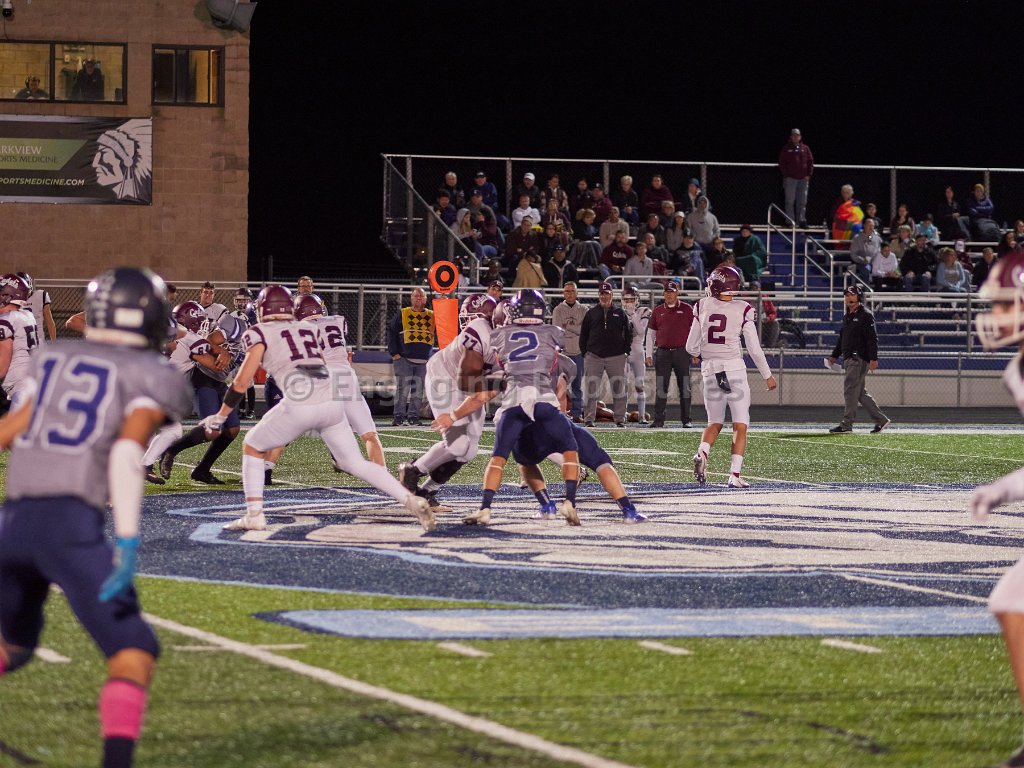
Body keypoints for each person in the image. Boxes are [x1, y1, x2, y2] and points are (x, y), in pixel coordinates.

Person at [0, 267, 191, 768]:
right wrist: (126, 540)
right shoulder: (154, 374)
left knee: (13, 645)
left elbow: (10, 430)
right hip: (68, 528)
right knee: (134, 651)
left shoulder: (53, 358)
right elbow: (128, 453)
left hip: (11, 523)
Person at [199, 285, 433, 533]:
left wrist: (221, 415)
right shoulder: (308, 329)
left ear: (264, 308)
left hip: (300, 401)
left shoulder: (259, 332)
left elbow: (241, 382)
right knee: (355, 463)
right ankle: (410, 500)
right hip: (331, 401)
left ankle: (254, 515)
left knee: (252, 444)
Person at [967, 252, 1024, 768]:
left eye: (1006, 304)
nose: (996, 315)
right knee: (1011, 599)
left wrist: (1003, 489)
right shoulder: (1018, 369)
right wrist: (1002, 489)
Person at [399, 294, 498, 512]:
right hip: (444, 379)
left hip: (471, 387)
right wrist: (453, 416)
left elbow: (481, 390)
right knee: (457, 445)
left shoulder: (504, 339)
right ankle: (411, 470)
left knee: (469, 451)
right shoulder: (479, 330)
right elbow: (472, 385)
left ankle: (428, 491)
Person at [688, 266, 777, 487]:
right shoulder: (743, 308)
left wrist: (702, 353)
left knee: (714, 423)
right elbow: (754, 349)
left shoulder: (701, 305)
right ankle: (734, 475)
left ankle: (702, 453)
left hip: (710, 370)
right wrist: (767, 375)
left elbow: (690, 346)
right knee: (740, 424)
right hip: (734, 370)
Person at [156, 301, 237, 484]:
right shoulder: (188, 339)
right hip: (190, 384)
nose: (203, 325)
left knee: (232, 429)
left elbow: (208, 347)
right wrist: (230, 354)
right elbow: (218, 366)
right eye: (200, 321)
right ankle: (169, 451)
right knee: (211, 430)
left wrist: (223, 351)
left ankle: (202, 470)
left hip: (183, 383)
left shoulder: (180, 335)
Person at [827, 285, 890, 434]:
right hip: (850, 357)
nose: (848, 297)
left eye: (852, 294)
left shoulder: (866, 315)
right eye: (846, 295)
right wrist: (834, 355)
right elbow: (842, 338)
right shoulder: (847, 316)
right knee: (860, 392)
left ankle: (846, 424)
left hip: (858, 358)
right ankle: (881, 420)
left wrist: (873, 358)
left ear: (859, 296)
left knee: (850, 390)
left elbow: (872, 338)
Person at [579, 282, 630, 427]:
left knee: (619, 388)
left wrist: (626, 351)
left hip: (616, 356)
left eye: (607, 294)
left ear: (611, 295)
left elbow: (628, 333)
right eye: (602, 293)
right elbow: (583, 334)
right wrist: (585, 352)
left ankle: (620, 419)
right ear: (599, 295)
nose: (604, 296)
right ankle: (589, 419)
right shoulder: (591, 313)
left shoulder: (620, 313)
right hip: (594, 356)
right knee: (591, 388)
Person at [645, 280, 694, 428]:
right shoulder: (658, 311)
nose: (669, 295)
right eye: (667, 292)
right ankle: (658, 420)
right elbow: (651, 334)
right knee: (661, 387)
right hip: (663, 353)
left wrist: (695, 351)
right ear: (663, 293)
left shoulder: (687, 309)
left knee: (684, 386)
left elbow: (695, 331)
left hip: (682, 352)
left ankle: (687, 420)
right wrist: (648, 354)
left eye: (672, 292)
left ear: (677, 293)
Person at [386, 287, 434, 426]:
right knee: (403, 389)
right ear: (411, 298)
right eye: (415, 296)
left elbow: (446, 324)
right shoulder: (403, 313)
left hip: (423, 359)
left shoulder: (432, 315)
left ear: (425, 299)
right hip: (404, 358)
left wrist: (444, 302)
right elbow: (392, 332)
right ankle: (399, 417)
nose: (418, 298)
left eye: (421, 296)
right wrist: (394, 352)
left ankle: (413, 416)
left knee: (418, 390)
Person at [0, 274, 39, 410]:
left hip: (21, 387)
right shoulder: (26, 314)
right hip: (31, 380)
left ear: (7, 297)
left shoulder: (7, 320)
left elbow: (2, 367)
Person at [551, 282, 587, 420]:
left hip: (578, 352)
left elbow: (584, 330)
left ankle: (577, 414)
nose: (570, 294)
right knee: (560, 384)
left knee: (578, 386)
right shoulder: (558, 310)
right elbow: (557, 330)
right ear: (563, 293)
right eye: (567, 291)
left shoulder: (583, 309)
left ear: (576, 293)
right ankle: (560, 413)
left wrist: (568, 327)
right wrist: (576, 328)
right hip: (563, 352)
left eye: (572, 291)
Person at [621, 286, 651, 424]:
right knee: (623, 385)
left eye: (632, 299)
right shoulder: (619, 313)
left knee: (640, 385)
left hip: (638, 351)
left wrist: (632, 315)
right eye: (626, 300)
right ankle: (622, 414)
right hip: (624, 351)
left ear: (637, 300)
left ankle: (642, 416)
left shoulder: (643, 311)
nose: (629, 303)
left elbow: (641, 331)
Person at [778, 128, 814, 227]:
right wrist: (786, 175)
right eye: (794, 135)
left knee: (802, 201)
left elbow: (810, 161)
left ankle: (801, 220)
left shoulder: (805, 148)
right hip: (790, 179)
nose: (795, 137)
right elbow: (781, 162)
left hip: (803, 179)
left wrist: (809, 175)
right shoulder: (786, 148)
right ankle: (790, 221)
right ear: (791, 137)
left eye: (797, 135)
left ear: (800, 137)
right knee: (789, 201)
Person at [17, 272, 57, 343]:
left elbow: (49, 321)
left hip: (38, 341)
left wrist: (54, 342)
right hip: (20, 342)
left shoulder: (40, 295)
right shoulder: (11, 300)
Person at [849, 216, 882, 285]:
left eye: (872, 226)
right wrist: (862, 260)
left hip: (875, 262)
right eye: (869, 225)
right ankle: (867, 289)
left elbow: (879, 251)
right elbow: (853, 254)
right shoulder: (857, 238)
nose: (871, 227)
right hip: (861, 263)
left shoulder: (877, 238)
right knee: (866, 270)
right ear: (864, 226)